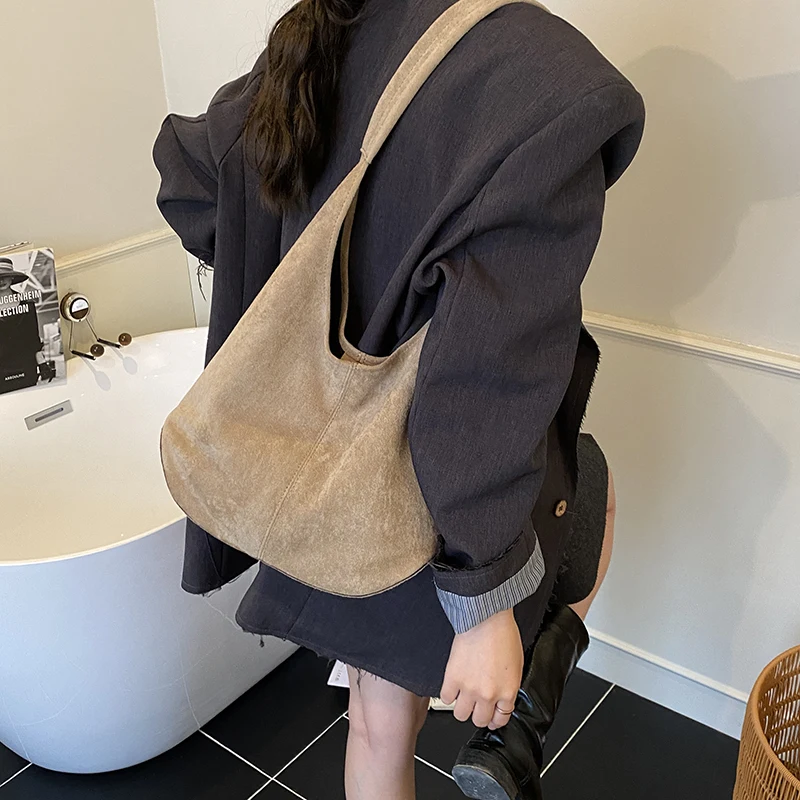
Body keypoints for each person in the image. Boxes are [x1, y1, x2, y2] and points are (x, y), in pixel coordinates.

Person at [152, 0, 645, 797]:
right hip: (442, 491)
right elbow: (488, 370)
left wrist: (299, 285)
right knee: (593, 490)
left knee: (378, 724)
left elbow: (190, 177)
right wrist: (484, 599)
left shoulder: (334, 26)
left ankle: (524, 704)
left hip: (323, 466)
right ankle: (523, 713)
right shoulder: (549, 80)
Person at [0, 257, 45, 393]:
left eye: (5, 277)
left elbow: (33, 338)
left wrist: (42, 364)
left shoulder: (28, 305)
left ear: (12, 278)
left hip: (26, 366)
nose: (1, 281)